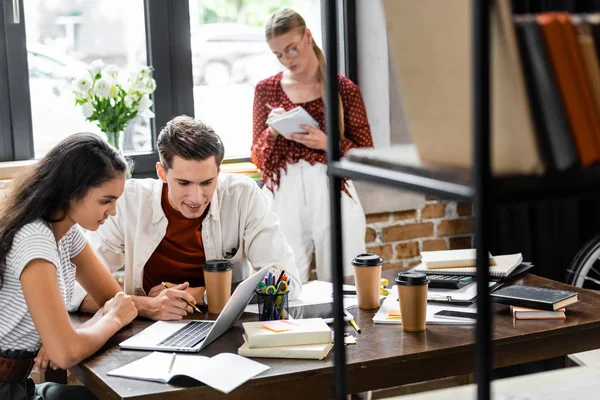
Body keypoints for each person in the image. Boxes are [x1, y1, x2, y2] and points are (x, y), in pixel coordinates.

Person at [71, 116, 302, 320]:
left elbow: (286, 283)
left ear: (218, 173)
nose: (196, 197)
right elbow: (73, 289)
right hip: (145, 331)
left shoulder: (244, 196)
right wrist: (148, 306)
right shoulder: (128, 202)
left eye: (206, 182)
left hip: (224, 328)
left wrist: (202, 294)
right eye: (184, 183)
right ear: (162, 173)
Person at [0, 133, 138, 399]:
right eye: (105, 201)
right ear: (72, 191)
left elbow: (112, 299)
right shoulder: (35, 238)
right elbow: (66, 353)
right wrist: (110, 318)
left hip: (18, 387)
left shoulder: (65, 230)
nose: (113, 212)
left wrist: (78, 332)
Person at [252, 8, 374, 283]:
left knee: (346, 283)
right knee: (284, 282)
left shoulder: (344, 88)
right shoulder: (266, 90)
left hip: (333, 189)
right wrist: (272, 131)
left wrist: (329, 143)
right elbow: (257, 158)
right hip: (283, 192)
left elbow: (366, 156)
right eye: (278, 54)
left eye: (291, 49)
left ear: (308, 36)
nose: (285, 59)